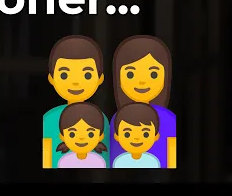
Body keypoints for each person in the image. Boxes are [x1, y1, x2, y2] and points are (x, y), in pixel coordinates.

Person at [109, 35, 177, 169]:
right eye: (130, 74)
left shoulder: (168, 119)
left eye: (153, 74)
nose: (142, 81)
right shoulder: (117, 119)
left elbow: (171, 156)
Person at [42, 35, 110, 169]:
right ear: (52, 78)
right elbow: (47, 156)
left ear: (100, 79)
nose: (75, 82)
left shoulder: (102, 119)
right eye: (64, 75)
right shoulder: (49, 119)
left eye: (87, 75)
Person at [56, 102, 108, 168]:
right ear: (62, 137)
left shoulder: (99, 161)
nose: (81, 138)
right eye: (72, 134)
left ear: (100, 137)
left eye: (90, 134)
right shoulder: (64, 161)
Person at [112, 103, 161, 168]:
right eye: (127, 134)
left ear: (156, 136)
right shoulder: (119, 161)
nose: (136, 138)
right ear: (117, 136)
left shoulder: (153, 162)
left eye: (145, 134)